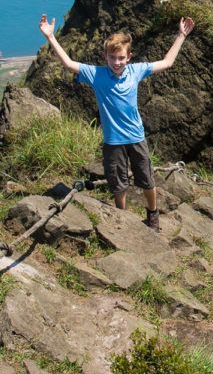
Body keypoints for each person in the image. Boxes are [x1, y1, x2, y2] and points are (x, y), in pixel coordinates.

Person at [39, 13, 195, 230]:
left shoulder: (136, 71)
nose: (117, 62)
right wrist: (51, 37)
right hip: (113, 141)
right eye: (113, 58)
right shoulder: (97, 74)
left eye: (121, 58)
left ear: (129, 57)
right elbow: (68, 64)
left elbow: (168, 63)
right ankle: (123, 218)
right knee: (118, 184)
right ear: (106, 57)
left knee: (147, 180)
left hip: (136, 137)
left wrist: (180, 35)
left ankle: (153, 215)